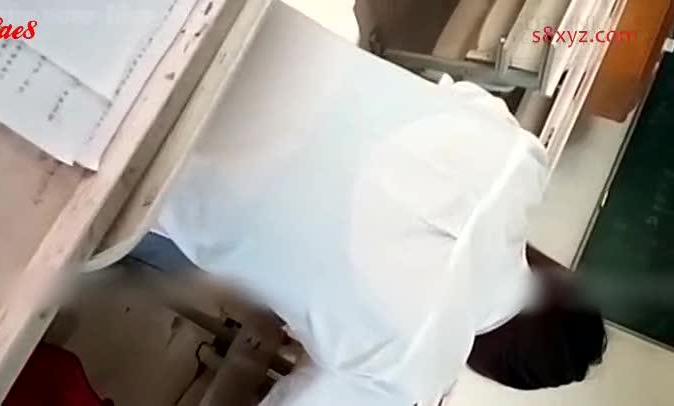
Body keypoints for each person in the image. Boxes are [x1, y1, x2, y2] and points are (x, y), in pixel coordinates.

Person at [158, 4, 606, 402]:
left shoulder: (520, 161)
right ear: (491, 367)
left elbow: (428, 91)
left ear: (552, 272)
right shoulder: (408, 373)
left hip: (227, 23)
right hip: (152, 148)